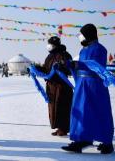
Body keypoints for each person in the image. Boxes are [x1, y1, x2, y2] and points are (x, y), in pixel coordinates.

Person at [62, 24, 114, 154]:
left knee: (98, 112)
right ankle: (81, 139)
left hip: (94, 85)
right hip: (82, 84)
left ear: (89, 34)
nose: (80, 36)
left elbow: (95, 65)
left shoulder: (100, 49)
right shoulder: (83, 50)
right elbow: (80, 66)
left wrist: (78, 64)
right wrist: (68, 64)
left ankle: (107, 142)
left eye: (82, 34)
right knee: (81, 111)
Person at [36, 36, 73, 136]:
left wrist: (62, 66)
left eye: (50, 44)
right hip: (51, 86)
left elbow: (70, 68)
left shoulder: (64, 55)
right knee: (53, 108)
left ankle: (64, 128)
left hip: (61, 86)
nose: (48, 46)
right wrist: (35, 68)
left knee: (62, 107)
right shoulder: (49, 57)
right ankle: (58, 127)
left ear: (55, 45)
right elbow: (45, 69)